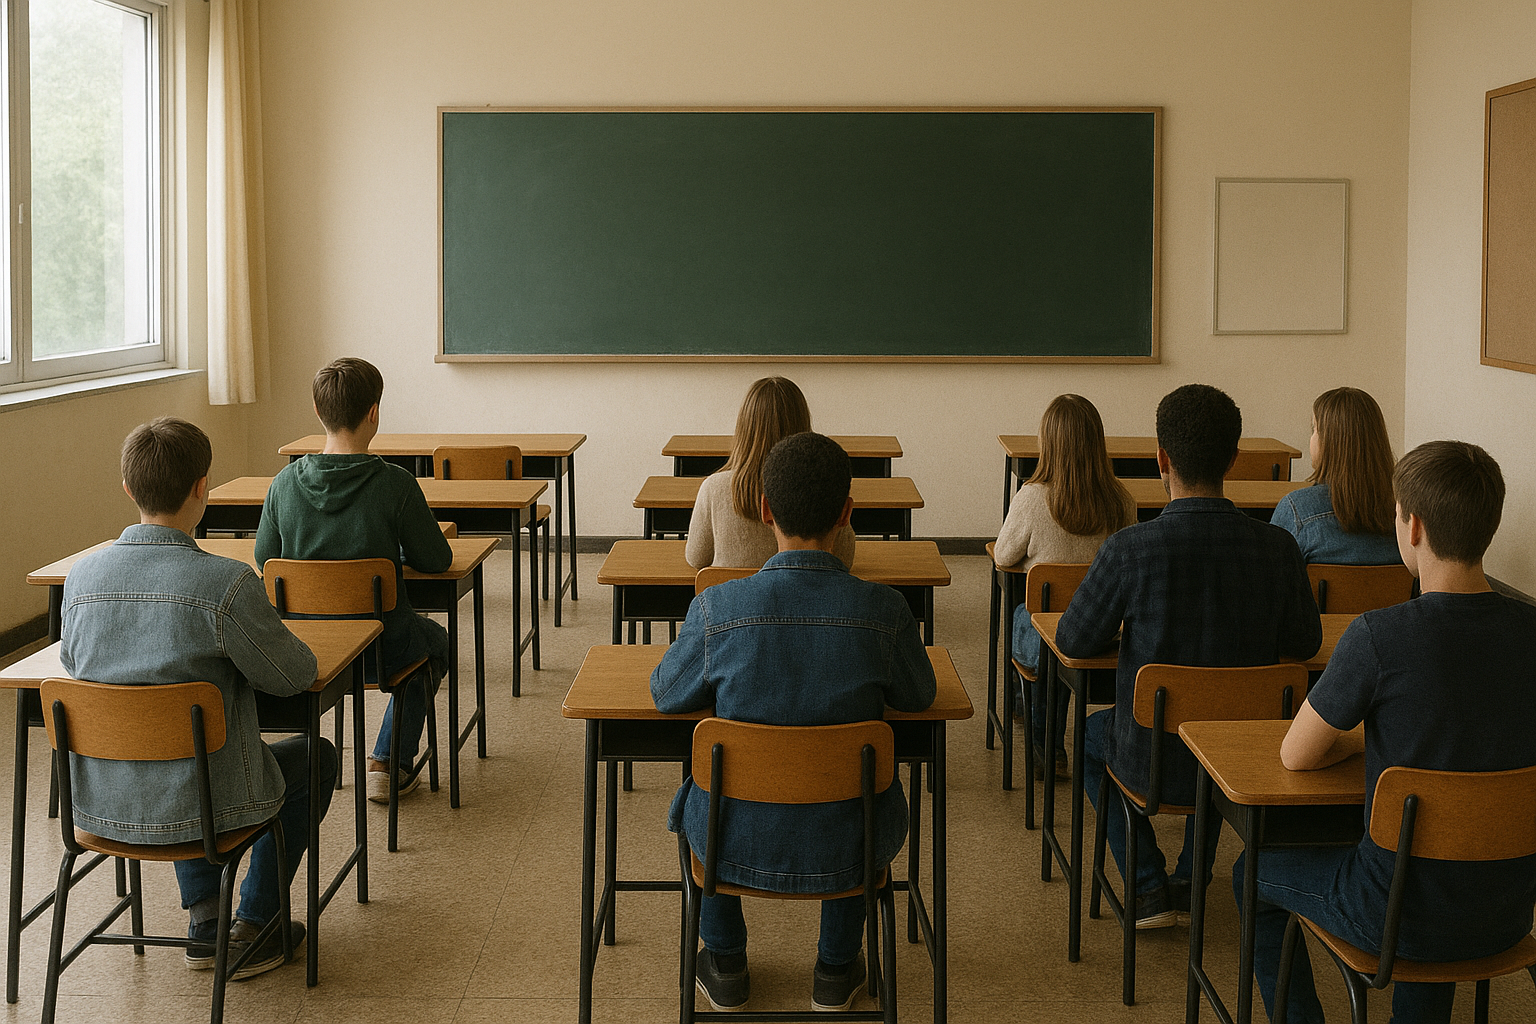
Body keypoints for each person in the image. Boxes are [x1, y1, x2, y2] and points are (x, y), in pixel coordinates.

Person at [1245, 440, 1536, 1024]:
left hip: (1394, 911)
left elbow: (1296, 756)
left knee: (1248, 873)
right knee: (1436, 864)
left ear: (1414, 527)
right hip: (1508, 910)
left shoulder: (1380, 637)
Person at [653, 431, 936, 1013]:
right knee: (859, 791)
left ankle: (726, 961)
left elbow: (665, 695)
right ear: (848, 515)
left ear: (763, 510)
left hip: (732, 836)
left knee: (694, 798)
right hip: (848, 842)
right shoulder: (884, 611)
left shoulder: (718, 609)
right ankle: (836, 969)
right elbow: (920, 694)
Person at [60, 417, 336, 977]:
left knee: (179, 748)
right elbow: (292, 675)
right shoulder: (225, 584)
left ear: (128, 489)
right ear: (201, 487)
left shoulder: (80, 580)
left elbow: (74, 666)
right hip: (205, 809)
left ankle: (208, 921)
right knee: (314, 756)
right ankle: (256, 923)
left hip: (101, 808)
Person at [1056, 383, 1322, 927]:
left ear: (1161, 459)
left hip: (1153, 760)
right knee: (1220, 724)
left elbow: (1073, 640)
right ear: (1233, 458)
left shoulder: (1131, 548)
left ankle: (1147, 882)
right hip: (1243, 760)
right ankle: (1190, 877)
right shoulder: (1278, 548)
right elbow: (1305, 645)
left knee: (1089, 739)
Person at [255, 357, 453, 802]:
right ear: (374, 412)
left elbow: (266, 562)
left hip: (307, 649)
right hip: (381, 648)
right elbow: (437, 559)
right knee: (435, 642)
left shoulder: (283, 484)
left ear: (316, 409)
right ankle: (388, 761)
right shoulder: (396, 485)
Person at [994, 394, 1135, 779]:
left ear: (1048, 443)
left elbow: (1004, 557)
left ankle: (1045, 743)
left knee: (1031, 622)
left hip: (1049, 632)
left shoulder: (1032, 497)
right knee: (1057, 633)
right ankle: (1039, 727)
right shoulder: (1122, 500)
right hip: (1106, 631)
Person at [684, 376, 856, 569]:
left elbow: (696, 558)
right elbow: (845, 558)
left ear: (744, 428)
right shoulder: (820, 486)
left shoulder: (714, 488)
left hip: (735, 599)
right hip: (805, 597)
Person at [1270, 387, 1400, 564]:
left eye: (1314, 429)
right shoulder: (1404, 510)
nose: (1311, 438)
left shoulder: (1296, 509)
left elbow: (1271, 576)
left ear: (1330, 442)